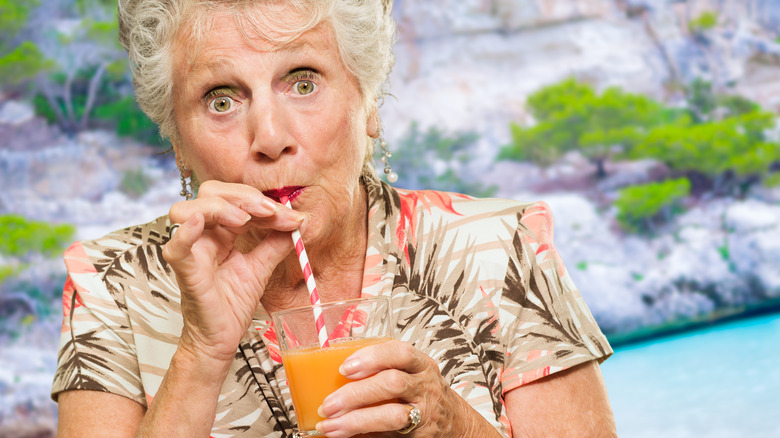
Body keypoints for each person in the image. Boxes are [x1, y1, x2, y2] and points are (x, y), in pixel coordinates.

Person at [52, 0, 617, 436]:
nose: (269, 139)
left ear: (368, 101)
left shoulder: (500, 248)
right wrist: (201, 353)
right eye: (222, 99)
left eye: (302, 82)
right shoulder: (110, 287)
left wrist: (451, 424)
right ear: (177, 140)